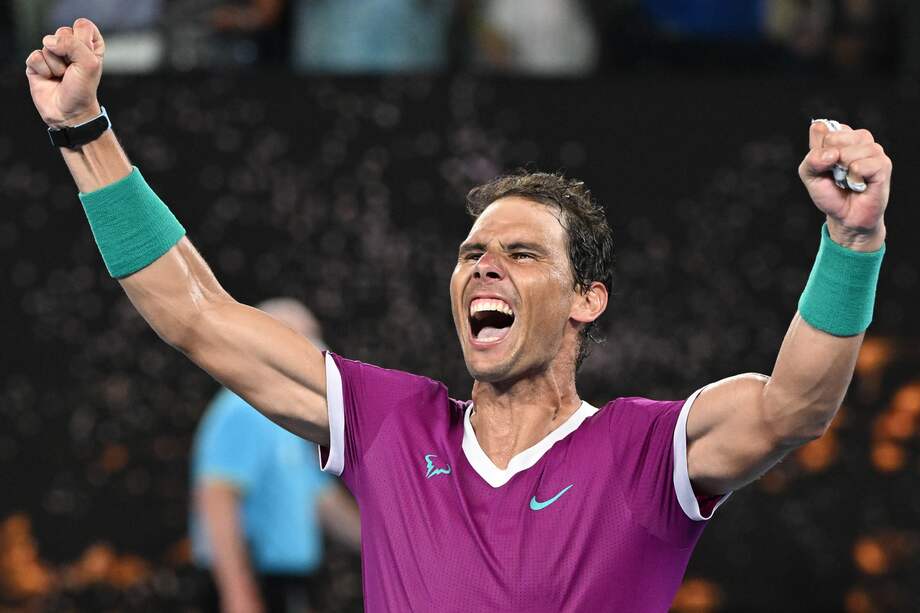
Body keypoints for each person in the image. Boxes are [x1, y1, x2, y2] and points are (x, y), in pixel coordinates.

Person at [25, 19, 891, 612]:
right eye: (474, 252)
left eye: (522, 254)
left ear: (589, 299)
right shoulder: (391, 424)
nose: (485, 266)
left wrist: (852, 245)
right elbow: (197, 316)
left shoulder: (644, 453)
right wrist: (83, 134)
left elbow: (794, 405)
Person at [190, 298, 360, 613]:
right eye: (302, 335)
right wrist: (239, 595)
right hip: (257, 583)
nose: (315, 347)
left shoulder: (287, 419)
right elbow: (217, 499)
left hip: (290, 583)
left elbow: (322, 501)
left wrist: (389, 541)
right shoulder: (240, 411)